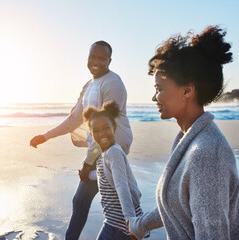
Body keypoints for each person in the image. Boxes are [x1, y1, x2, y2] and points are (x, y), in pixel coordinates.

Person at [127, 26, 239, 239]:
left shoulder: (207, 154)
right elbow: (178, 203)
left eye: (159, 88)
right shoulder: (189, 141)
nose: (154, 97)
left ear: (187, 90)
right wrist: (140, 226)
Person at [30, 41, 133, 239]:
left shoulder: (113, 84)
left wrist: (88, 164)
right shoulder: (89, 85)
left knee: (117, 206)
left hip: (113, 152)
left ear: (109, 61)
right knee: (91, 202)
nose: (96, 62)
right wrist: (45, 136)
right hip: (100, 153)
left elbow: (105, 130)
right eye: (93, 56)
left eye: (102, 58)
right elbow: (74, 119)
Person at [83, 101, 144, 240]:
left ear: (114, 128)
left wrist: (130, 221)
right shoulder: (104, 154)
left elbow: (122, 186)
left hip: (120, 224)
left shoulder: (114, 153)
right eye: (96, 130)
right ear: (91, 134)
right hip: (114, 221)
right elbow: (104, 175)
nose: (102, 133)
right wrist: (89, 174)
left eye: (106, 128)